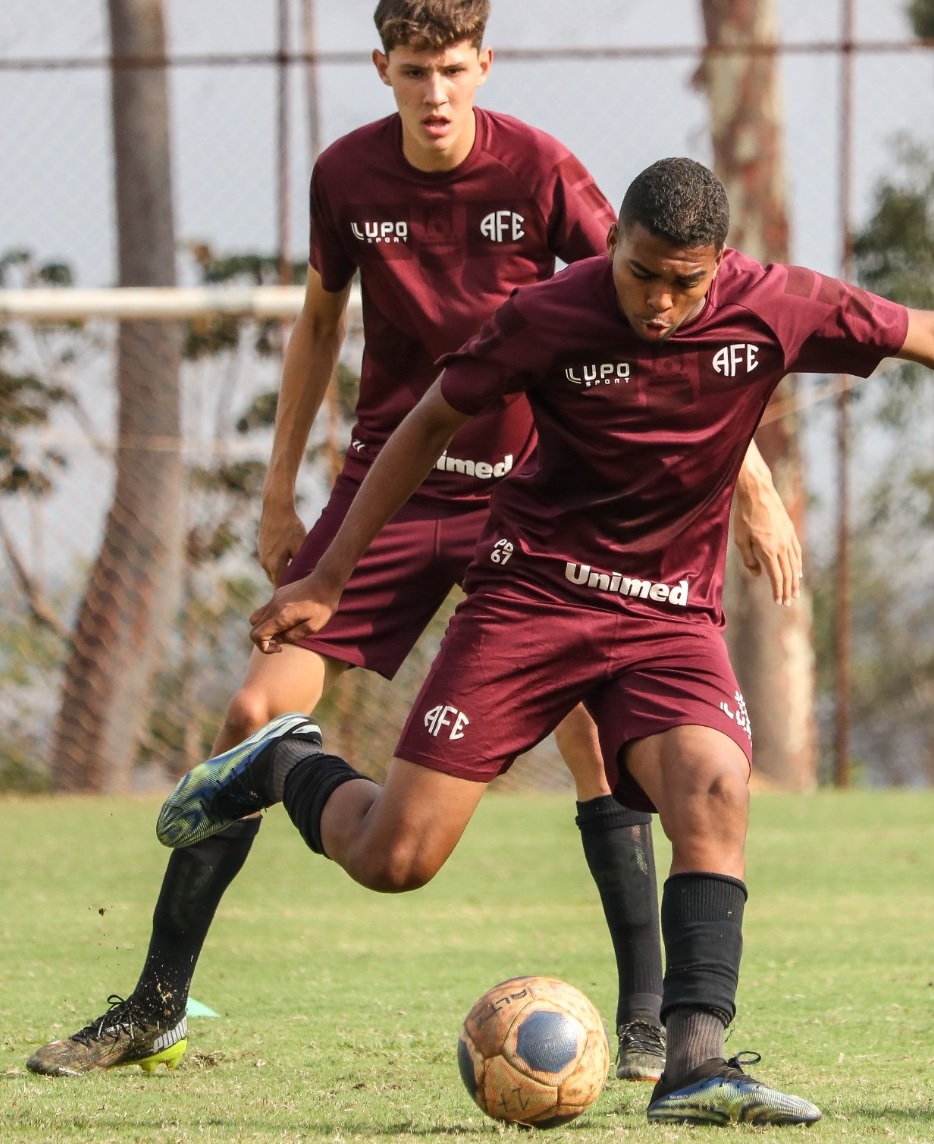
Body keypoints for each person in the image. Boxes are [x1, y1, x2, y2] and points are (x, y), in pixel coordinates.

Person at [152, 155, 934, 1126]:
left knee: (714, 786)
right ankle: (279, 759)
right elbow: (429, 420)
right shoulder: (548, 315)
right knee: (396, 858)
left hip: (667, 619)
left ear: (721, 264)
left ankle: (695, 1059)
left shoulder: (779, 305)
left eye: (685, 282)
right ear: (612, 245)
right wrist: (328, 575)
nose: (661, 303)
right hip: (531, 601)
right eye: (643, 275)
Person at [26, 2, 800, 1082]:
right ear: (381, 66)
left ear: (483, 62)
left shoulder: (540, 171)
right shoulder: (346, 178)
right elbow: (316, 326)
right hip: (387, 488)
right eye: (415, 69)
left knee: (593, 739)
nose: (435, 92)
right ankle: (156, 1002)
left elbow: (668, 314)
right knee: (254, 711)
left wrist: (750, 481)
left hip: (530, 500)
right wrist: (278, 492)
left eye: (452, 68)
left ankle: (645, 1016)